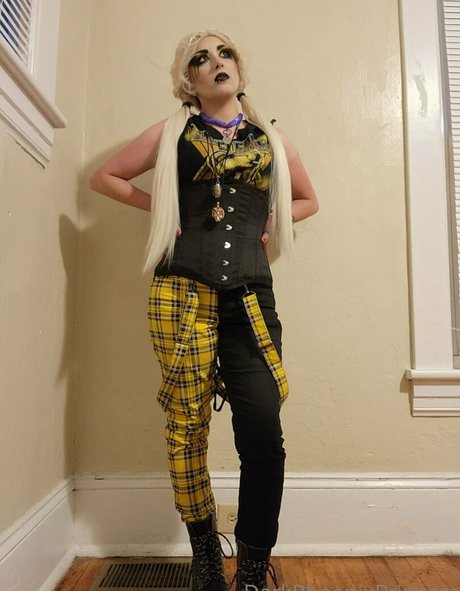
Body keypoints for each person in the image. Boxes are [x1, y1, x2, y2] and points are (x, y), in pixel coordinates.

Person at [89, 30, 318, 591]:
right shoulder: (172, 132)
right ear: (187, 80)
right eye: (201, 58)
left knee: (262, 429)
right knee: (187, 427)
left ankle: (254, 569)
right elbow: (104, 176)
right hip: (180, 293)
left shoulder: (271, 138)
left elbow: (309, 199)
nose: (216, 61)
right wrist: (161, 211)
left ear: (239, 67)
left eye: (225, 53)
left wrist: (273, 221)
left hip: (250, 297)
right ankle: (208, 560)